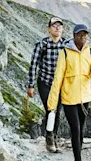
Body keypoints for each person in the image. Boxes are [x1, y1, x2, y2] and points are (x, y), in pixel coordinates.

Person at [46, 24, 91, 161]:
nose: (83, 37)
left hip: (84, 98)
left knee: (80, 131)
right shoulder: (65, 53)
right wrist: (52, 103)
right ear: (74, 36)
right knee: (75, 129)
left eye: (85, 35)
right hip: (69, 98)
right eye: (80, 35)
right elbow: (58, 78)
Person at [27, 17, 69, 152]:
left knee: (58, 111)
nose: (57, 28)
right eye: (54, 26)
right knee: (51, 110)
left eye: (59, 26)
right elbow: (34, 64)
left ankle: (53, 136)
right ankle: (49, 139)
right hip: (45, 82)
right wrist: (30, 85)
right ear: (49, 29)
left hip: (60, 84)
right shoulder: (42, 44)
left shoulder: (67, 45)